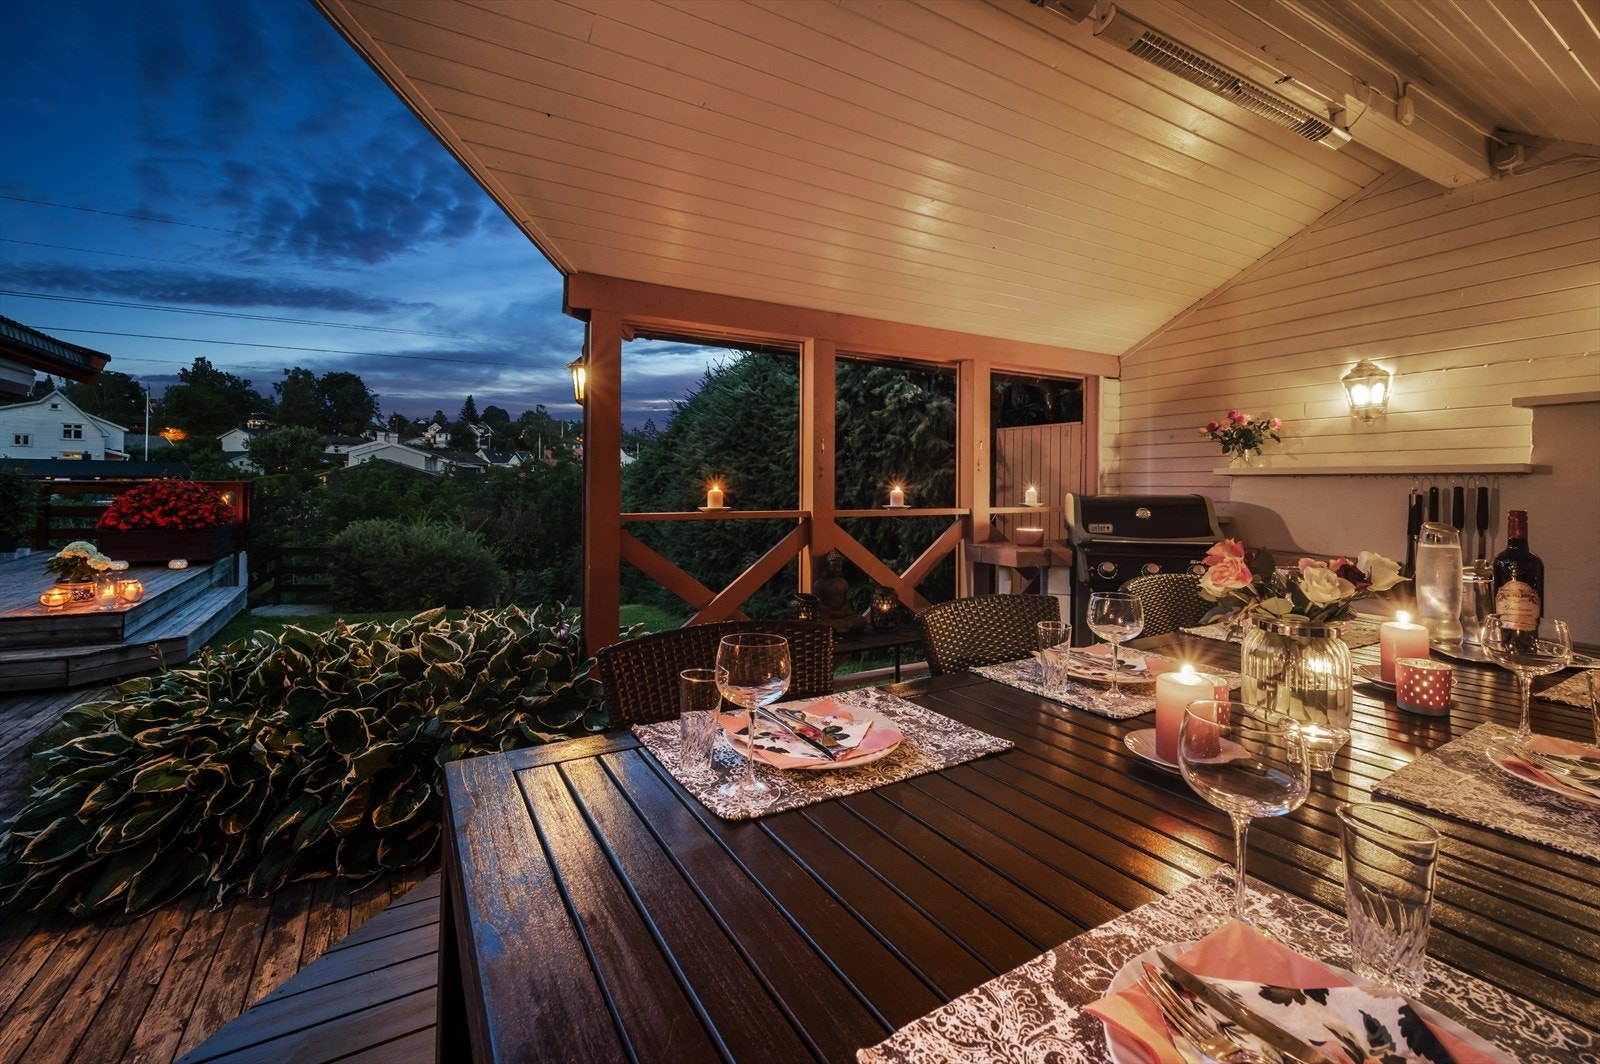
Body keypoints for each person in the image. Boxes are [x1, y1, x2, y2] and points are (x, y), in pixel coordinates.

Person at [812, 549, 866, 634]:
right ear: (827, 567)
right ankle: (838, 629)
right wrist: (832, 613)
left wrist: (842, 612)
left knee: (861, 620)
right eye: (834, 566)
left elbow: (846, 602)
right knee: (820, 623)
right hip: (827, 616)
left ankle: (839, 629)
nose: (837, 569)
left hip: (842, 615)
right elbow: (818, 604)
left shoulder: (843, 582)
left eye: (839, 566)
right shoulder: (819, 584)